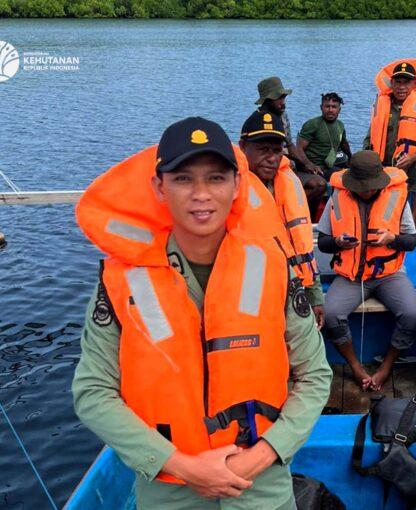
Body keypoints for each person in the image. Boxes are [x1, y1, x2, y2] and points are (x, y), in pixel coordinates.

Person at [73, 117, 331, 510]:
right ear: (159, 187)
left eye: (215, 178)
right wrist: (186, 467)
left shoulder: (273, 267)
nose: (200, 194)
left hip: (261, 487)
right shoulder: (119, 279)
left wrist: (259, 456)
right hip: (169, 491)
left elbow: (314, 376)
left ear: (237, 185)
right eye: (182, 179)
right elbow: (92, 392)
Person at [317, 150, 416, 392]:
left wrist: (391, 238)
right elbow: (322, 242)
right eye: (360, 186)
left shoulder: (397, 198)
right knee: (331, 314)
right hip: (351, 277)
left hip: (390, 274)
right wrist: (338, 242)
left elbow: (412, 241)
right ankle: (355, 367)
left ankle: (385, 367)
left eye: (369, 187)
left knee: (412, 315)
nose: (364, 191)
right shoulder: (337, 198)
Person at [238, 109, 325, 328]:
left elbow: (302, 244)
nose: (272, 158)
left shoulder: (288, 185)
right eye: (263, 150)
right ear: (242, 147)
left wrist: (315, 295)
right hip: (247, 294)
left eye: (277, 151)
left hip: (292, 286)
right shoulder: (228, 190)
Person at [363, 60, 416, 224]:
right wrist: (369, 160)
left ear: (415, 84)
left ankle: (412, 217)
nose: (401, 87)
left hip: (409, 164)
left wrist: (412, 158)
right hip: (382, 163)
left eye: (407, 82)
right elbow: (369, 139)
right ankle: (369, 218)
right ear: (392, 83)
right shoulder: (382, 105)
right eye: (398, 81)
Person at [256, 76, 327, 215]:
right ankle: (283, 216)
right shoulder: (257, 121)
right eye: (279, 99)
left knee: (319, 184)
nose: (283, 103)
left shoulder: (283, 116)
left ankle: (306, 222)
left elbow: (289, 144)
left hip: (289, 168)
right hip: (272, 170)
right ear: (268, 100)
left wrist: (307, 164)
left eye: (284, 98)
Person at [297, 92, 352, 180]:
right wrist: (309, 164)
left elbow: (344, 144)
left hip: (330, 166)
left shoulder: (340, 125)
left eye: (334, 107)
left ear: (339, 109)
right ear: (321, 108)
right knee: (345, 178)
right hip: (314, 168)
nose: (330, 110)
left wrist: (350, 157)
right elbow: (299, 148)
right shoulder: (313, 124)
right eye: (327, 106)